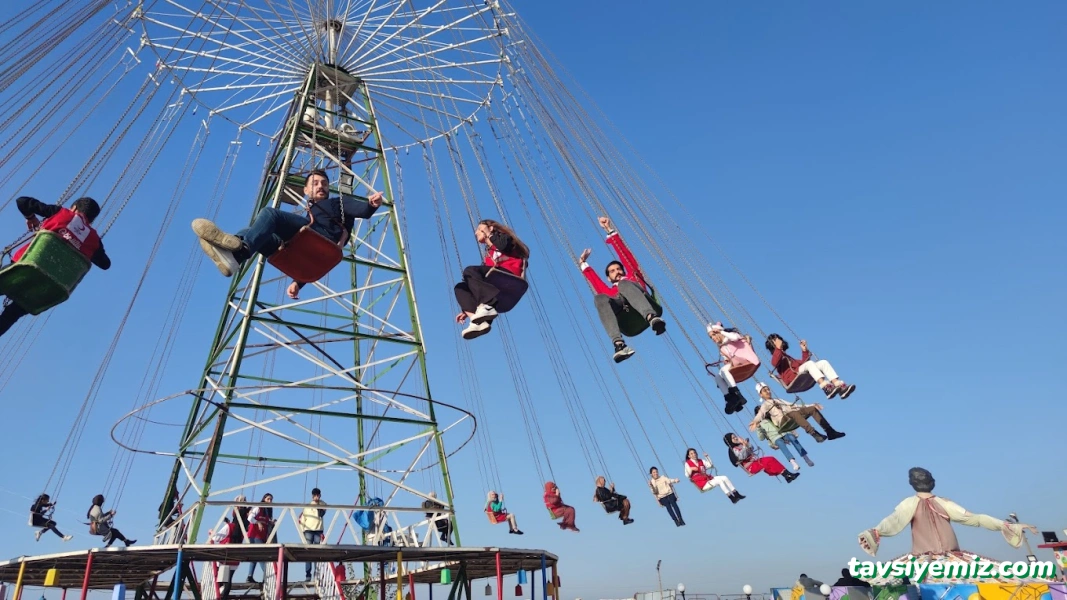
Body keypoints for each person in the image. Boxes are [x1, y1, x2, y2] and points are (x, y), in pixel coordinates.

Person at [192, 169, 382, 297]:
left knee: (270, 214)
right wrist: (298, 284)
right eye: (315, 183)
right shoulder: (310, 213)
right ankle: (232, 258)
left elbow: (361, 210)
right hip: (306, 249)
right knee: (250, 231)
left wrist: (370, 205)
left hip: (321, 239)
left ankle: (239, 252)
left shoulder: (337, 203)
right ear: (306, 190)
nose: (320, 186)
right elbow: (312, 261)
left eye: (324, 183)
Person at [857, 467, 1037, 557]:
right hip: (938, 559)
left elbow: (892, 521)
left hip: (943, 559)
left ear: (911, 483)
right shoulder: (940, 502)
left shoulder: (917, 503)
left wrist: (875, 532)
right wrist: (1009, 525)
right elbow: (976, 518)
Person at [0, 196, 111, 338]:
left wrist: (31, 218)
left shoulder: (61, 213)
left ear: (75, 208)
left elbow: (22, 201)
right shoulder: (94, 240)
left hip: (24, 268)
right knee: (12, 314)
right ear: (92, 219)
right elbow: (105, 264)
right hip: (48, 288)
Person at [578, 216, 666, 363]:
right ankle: (619, 344)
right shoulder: (610, 291)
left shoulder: (632, 277)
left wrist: (609, 230)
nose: (617, 272)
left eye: (619, 269)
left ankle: (652, 318)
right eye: (612, 271)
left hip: (643, 304)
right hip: (627, 318)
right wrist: (582, 263)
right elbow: (595, 281)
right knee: (599, 298)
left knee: (623, 285)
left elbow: (625, 254)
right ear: (608, 277)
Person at [454, 219, 530, 340]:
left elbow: (503, 245)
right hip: (495, 283)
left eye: (479, 229)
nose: (476, 232)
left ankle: (487, 306)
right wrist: (467, 307)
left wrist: (490, 234)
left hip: (509, 275)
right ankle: (477, 321)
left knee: (469, 271)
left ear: (490, 228)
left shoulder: (505, 239)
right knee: (461, 286)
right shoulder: (489, 254)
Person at [765, 334, 855, 399]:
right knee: (809, 364)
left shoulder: (787, 356)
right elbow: (774, 362)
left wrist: (804, 351)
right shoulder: (776, 357)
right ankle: (826, 387)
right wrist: (777, 348)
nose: (780, 342)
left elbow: (804, 364)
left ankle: (839, 385)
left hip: (799, 373)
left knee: (823, 362)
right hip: (792, 378)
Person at [749, 382, 846, 443]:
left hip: (792, 415)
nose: (768, 391)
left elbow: (794, 405)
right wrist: (755, 421)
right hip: (783, 421)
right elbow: (760, 414)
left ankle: (830, 431)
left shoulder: (779, 400)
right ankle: (814, 434)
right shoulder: (765, 405)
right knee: (793, 413)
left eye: (768, 389)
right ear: (760, 395)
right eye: (764, 391)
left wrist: (811, 405)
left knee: (811, 409)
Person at [707, 322, 755, 413]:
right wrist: (726, 360)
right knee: (717, 376)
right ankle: (729, 399)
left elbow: (735, 338)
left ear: (718, 332)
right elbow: (728, 359)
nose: (712, 338)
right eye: (710, 337)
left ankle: (736, 393)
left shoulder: (731, 336)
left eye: (713, 335)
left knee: (724, 370)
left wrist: (722, 332)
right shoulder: (722, 348)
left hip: (745, 359)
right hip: (736, 363)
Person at [753, 407, 813, 471]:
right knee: (780, 443)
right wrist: (758, 428)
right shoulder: (760, 424)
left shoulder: (773, 415)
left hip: (784, 432)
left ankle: (806, 457)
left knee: (792, 438)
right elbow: (761, 438)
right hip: (774, 437)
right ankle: (793, 462)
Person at [723, 433, 799, 483]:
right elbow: (742, 456)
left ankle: (787, 476)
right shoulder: (734, 449)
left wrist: (746, 444)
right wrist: (744, 446)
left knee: (771, 459)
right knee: (768, 461)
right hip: (750, 466)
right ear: (730, 440)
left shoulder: (740, 445)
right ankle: (787, 475)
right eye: (733, 438)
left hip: (755, 461)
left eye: (735, 436)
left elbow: (751, 448)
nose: (736, 438)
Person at [208, 516, 241, 600]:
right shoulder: (242, 528)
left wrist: (211, 533)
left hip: (225, 556)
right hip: (235, 558)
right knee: (228, 579)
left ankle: (219, 595)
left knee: (221, 579)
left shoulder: (229, 526)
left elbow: (216, 538)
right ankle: (224, 597)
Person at [245, 493, 275, 583]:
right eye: (268, 499)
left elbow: (266, 521)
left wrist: (271, 522)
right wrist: (257, 522)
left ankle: (250, 576)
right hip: (254, 534)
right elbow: (250, 518)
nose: (270, 501)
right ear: (264, 499)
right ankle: (267, 574)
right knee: (261, 554)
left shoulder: (267, 510)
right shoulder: (258, 508)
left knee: (255, 555)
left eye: (271, 499)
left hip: (262, 535)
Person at [299, 488, 327, 580]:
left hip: (318, 530)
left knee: (316, 552)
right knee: (308, 552)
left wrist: (318, 503)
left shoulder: (322, 504)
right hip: (308, 530)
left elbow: (322, 513)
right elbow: (303, 519)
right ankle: (308, 573)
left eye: (318, 495)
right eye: (315, 495)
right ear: (312, 496)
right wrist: (302, 530)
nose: (316, 497)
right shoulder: (307, 506)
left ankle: (317, 573)